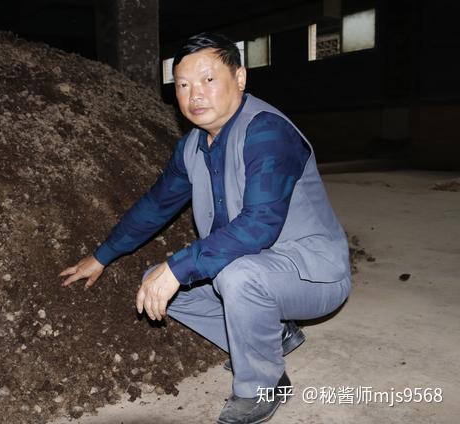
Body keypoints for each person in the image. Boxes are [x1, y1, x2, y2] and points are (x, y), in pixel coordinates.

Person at [59, 32, 351, 424]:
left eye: (208, 80)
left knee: (234, 275)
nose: (195, 94)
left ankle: (263, 387)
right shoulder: (193, 146)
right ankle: (276, 334)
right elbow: (155, 205)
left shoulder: (267, 132)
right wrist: (102, 255)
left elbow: (259, 225)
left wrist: (179, 266)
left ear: (240, 78)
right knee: (159, 284)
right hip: (258, 268)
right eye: (183, 85)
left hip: (315, 274)